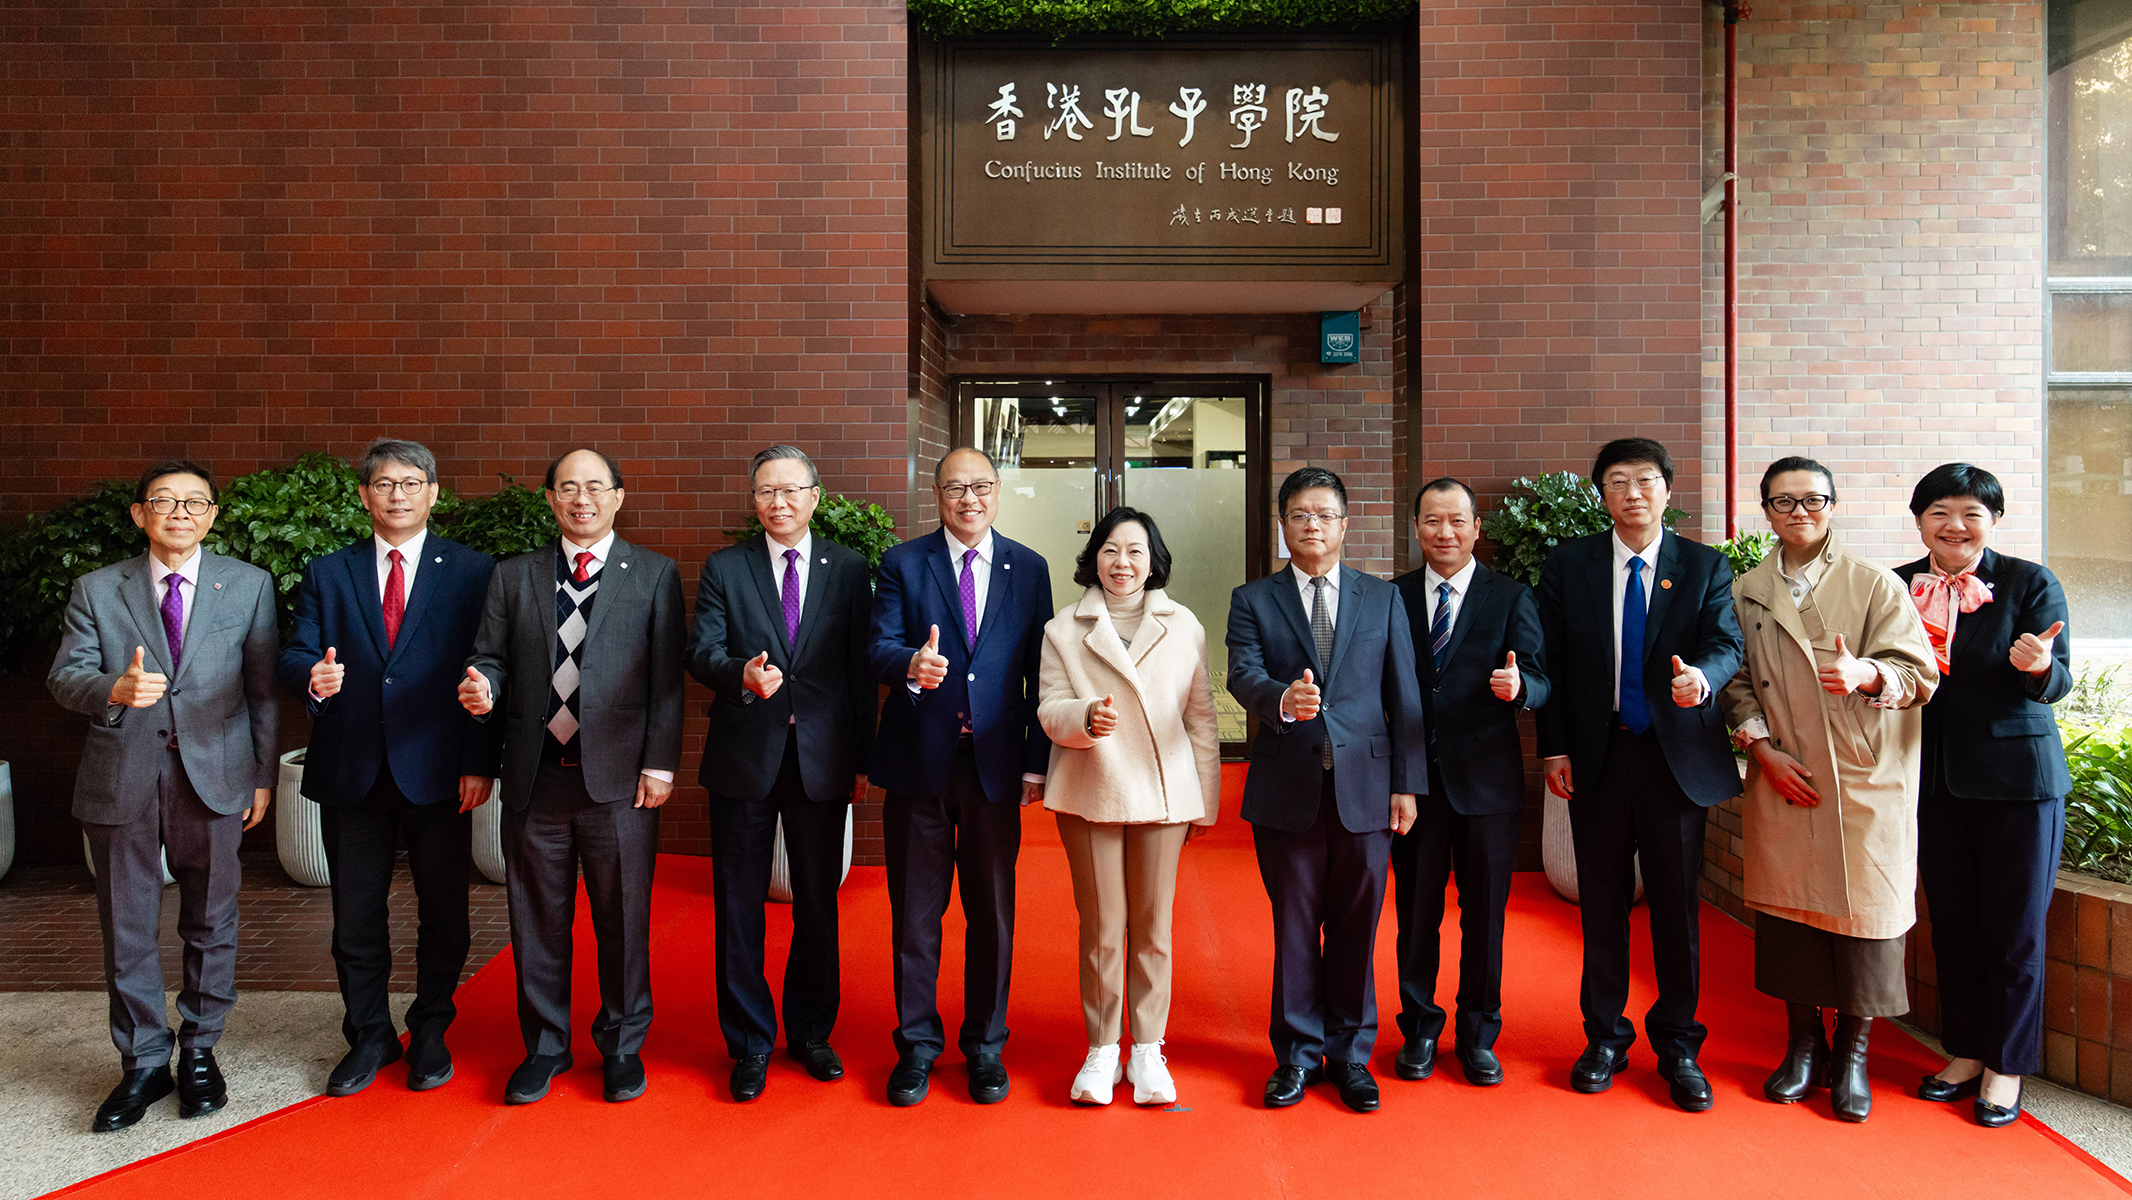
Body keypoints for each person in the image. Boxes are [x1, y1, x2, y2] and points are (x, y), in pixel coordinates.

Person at [46, 461, 278, 1132]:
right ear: (139, 514)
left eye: (194, 502)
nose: (180, 511)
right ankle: (144, 1061)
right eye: (164, 501)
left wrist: (262, 776)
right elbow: (67, 676)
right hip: (123, 775)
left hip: (217, 775)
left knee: (212, 919)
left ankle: (200, 1050)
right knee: (127, 925)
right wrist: (111, 691)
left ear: (211, 515)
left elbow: (262, 691)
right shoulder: (97, 589)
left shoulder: (250, 586)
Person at [458, 448, 685, 1107]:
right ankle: (546, 1047)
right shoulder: (514, 575)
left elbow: (667, 683)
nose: (581, 498)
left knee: (622, 919)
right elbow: (488, 660)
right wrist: (482, 690)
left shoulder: (653, 574)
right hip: (536, 777)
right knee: (536, 921)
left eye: (595, 487)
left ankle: (621, 1046)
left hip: (619, 782)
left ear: (618, 495)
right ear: (551, 499)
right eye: (567, 488)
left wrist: (660, 762)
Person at [277, 438, 500, 1098]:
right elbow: (292, 653)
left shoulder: (472, 570)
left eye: (411, 483)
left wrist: (479, 759)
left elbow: (490, 664)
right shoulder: (328, 571)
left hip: (439, 768)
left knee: (444, 912)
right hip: (352, 768)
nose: (397, 494)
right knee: (356, 916)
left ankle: (431, 1027)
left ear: (434, 493)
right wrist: (311, 678)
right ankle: (369, 1034)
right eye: (383, 484)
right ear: (363, 496)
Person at [1719, 457, 1937, 1122]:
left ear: (1833, 506)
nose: (1799, 512)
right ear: (1767, 513)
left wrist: (1867, 673)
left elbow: (1918, 673)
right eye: (1783, 502)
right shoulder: (1746, 589)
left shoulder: (1874, 584)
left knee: (1866, 921)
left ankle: (1853, 1054)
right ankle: (1803, 1046)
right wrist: (1762, 750)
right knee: (1791, 915)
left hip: (1864, 776)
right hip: (1786, 771)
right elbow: (1734, 682)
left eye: (1813, 500)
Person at [1536, 437, 1745, 1113]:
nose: (1633, 492)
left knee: (1677, 912)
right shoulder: (1571, 564)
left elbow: (1725, 644)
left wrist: (1704, 683)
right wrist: (1554, 747)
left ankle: (1679, 1044)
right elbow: (1555, 662)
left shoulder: (1704, 566)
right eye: (1619, 481)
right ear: (1601, 493)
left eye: (1646, 480)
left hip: (1672, 760)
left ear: (1666, 490)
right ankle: (1605, 1037)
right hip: (1597, 757)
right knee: (1602, 907)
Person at [1227, 466, 1427, 1114]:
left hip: (1367, 791)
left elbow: (1404, 695)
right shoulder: (1253, 598)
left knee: (1355, 929)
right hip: (1287, 791)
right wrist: (1281, 698)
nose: (1311, 525)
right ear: (1284, 527)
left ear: (1345, 525)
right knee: (1292, 929)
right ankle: (1293, 1057)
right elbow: (1243, 673)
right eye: (1299, 516)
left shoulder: (1382, 598)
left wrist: (1407, 785)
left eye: (1323, 514)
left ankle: (1350, 1057)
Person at [685, 445, 875, 1102]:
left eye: (791, 491)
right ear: (754, 499)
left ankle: (812, 1033)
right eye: (766, 492)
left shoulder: (849, 570)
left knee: (818, 907)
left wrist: (860, 760)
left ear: (816, 497)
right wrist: (738, 672)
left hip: (822, 761)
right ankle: (749, 1043)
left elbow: (858, 672)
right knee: (739, 909)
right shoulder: (726, 568)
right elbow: (701, 649)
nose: (779, 503)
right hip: (745, 757)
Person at [868, 447, 1053, 1107]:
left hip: (994, 767)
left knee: (992, 916)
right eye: (955, 488)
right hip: (918, 763)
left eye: (980, 487)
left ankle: (985, 1047)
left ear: (997, 492)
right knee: (916, 916)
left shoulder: (1029, 568)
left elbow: (1041, 671)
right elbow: (879, 643)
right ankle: (917, 1046)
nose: (968, 499)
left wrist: (1038, 760)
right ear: (938, 496)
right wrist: (910, 665)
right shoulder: (902, 562)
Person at [1895, 463, 2073, 1128]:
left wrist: (2039, 669)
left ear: (1992, 520)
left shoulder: (2029, 582)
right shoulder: (1897, 586)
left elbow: (2059, 683)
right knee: (1953, 925)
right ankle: (1965, 1051)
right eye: (1941, 511)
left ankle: (2006, 1065)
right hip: (1933, 779)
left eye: (1972, 512)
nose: (1956, 525)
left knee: (2015, 931)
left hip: (2017, 785)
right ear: (1920, 520)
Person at [1035, 507, 1221, 1107]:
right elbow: (1049, 706)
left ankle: (1147, 1049)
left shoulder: (1184, 623)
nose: (1123, 563)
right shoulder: (1064, 627)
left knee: (1153, 930)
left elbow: (1201, 717)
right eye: (1112, 550)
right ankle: (1101, 1048)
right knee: (1103, 929)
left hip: (1165, 792)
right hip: (1093, 786)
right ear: (1094, 558)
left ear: (1153, 559)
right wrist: (1085, 718)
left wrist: (1204, 799)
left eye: (1136, 551)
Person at [1388, 478, 1550, 1088]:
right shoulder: (1393, 596)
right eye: (1431, 521)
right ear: (1417, 527)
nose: (1444, 533)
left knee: (1484, 916)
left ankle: (1478, 1034)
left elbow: (1540, 676)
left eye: (1457, 521)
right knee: (1416, 913)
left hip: (1487, 786)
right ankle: (1420, 1030)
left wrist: (1522, 690)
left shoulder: (1510, 597)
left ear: (1477, 528)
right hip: (1416, 785)